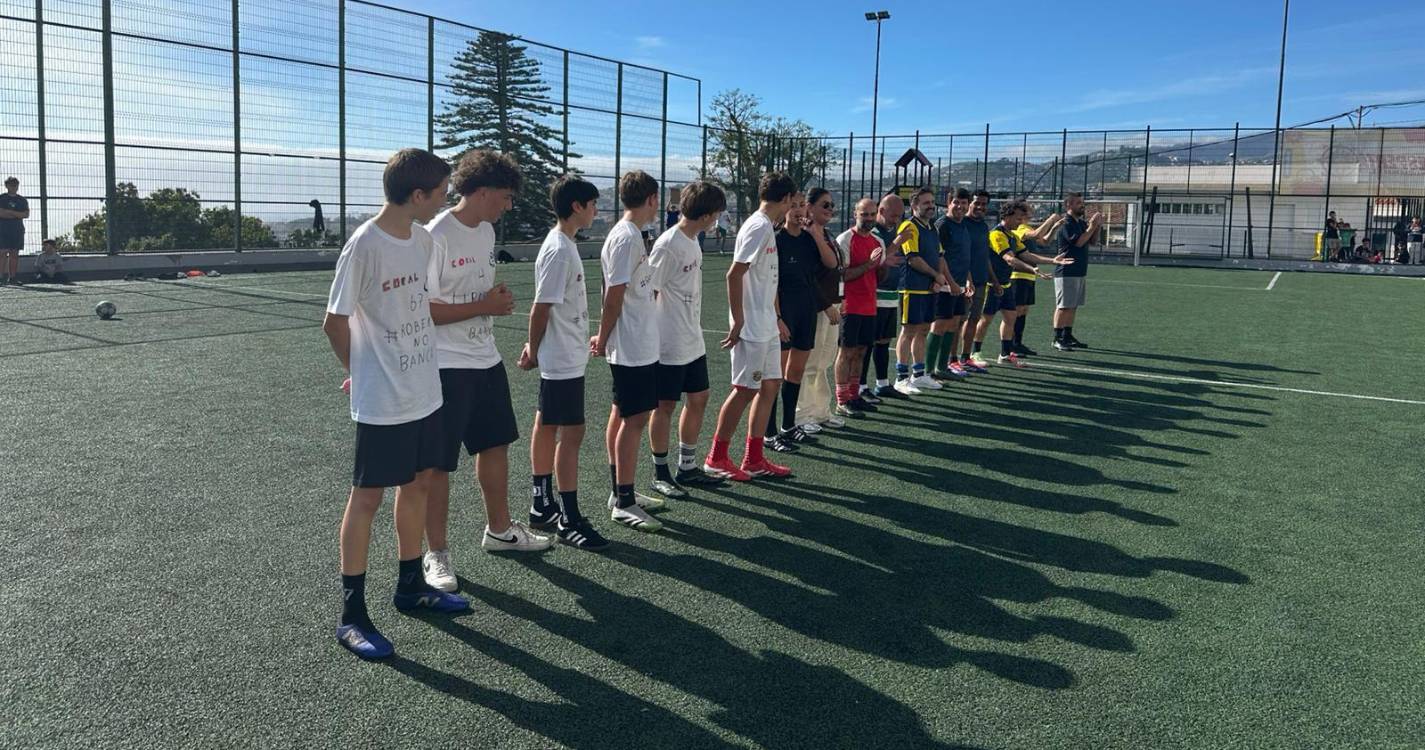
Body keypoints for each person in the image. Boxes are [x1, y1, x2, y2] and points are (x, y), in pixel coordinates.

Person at [322, 148, 469, 660]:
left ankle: (411, 587)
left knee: (421, 482)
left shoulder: (423, 240)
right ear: (417, 195)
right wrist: (357, 372)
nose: (446, 199)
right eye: (442, 191)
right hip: (383, 399)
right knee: (368, 497)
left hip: (425, 390)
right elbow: (334, 320)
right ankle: (352, 615)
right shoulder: (364, 245)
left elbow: (415, 307)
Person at [420, 150, 551, 594]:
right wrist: (484, 305)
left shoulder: (487, 231)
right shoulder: (436, 235)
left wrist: (491, 298)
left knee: (495, 446)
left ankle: (499, 530)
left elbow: (469, 292)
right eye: (505, 197)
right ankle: (435, 554)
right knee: (438, 465)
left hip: (485, 357)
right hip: (445, 365)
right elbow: (424, 310)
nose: (508, 206)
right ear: (479, 192)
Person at [521, 175, 609, 551]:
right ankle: (568, 519)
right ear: (577, 206)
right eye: (592, 205)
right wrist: (534, 347)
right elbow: (541, 306)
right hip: (560, 360)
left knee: (549, 424)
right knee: (571, 434)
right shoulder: (559, 248)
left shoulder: (564, 245)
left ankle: (542, 503)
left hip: (566, 356)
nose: (595, 211)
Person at [703, 172, 796, 481]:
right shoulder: (757, 227)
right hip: (752, 327)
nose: (792, 208)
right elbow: (734, 274)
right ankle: (716, 457)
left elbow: (765, 280)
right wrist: (739, 319)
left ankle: (753, 458)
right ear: (785, 199)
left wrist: (776, 318)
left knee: (770, 385)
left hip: (767, 324)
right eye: (791, 202)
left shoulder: (768, 227)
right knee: (744, 390)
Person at [593, 170, 667, 533]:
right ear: (651, 199)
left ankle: (620, 491)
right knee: (634, 420)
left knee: (622, 414)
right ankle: (623, 501)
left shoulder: (633, 235)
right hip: (631, 344)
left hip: (637, 340)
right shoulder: (626, 237)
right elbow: (614, 294)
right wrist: (604, 335)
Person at [647, 180, 727, 499]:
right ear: (706, 214)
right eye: (717, 213)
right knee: (665, 405)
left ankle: (687, 466)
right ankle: (660, 472)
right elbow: (648, 291)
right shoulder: (669, 244)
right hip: (668, 341)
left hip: (692, 337)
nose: (718, 219)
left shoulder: (693, 241)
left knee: (699, 396)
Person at [764, 189, 838, 450]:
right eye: (792, 205)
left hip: (806, 312)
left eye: (800, 206)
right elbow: (771, 284)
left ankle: (788, 426)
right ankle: (769, 432)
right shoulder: (776, 240)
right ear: (784, 209)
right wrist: (778, 317)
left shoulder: (809, 239)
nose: (797, 211)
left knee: (795, 372)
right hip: (785, 313)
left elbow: (830, 263)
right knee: (775, 375)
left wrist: (816, 235)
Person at [987, 200, 1073, 368]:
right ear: (1009, 216)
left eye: (1022, 217)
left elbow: (1027, 253)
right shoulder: (1003, 233)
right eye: (1020, 216)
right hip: (997, 281)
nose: (1022, 219)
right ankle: (972, 354)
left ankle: (1007, 351)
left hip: (1008, 281)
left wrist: (1052, 260)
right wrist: (1051, 220)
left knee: (1013, 315)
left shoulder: (1011, 234)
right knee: (984, 320)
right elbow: (1011, 258)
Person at [795, 187, 853, 429]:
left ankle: (820, 411)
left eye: (832, 205)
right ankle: (802, 416)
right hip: (817, 307)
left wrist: (841, 298)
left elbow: (837, 270)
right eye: (825, 205)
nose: (831, 209)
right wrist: (826, 304)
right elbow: (809, 276)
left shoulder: (827, 234)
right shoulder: (805, 237)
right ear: (809, 207)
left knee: (824, 361)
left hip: (833, 304)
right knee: (810, 363)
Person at [894, 188, 954, 396]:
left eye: (932, 202)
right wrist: (935, 276)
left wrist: (939, 278)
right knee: (909, 330)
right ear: (914, 206)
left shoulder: (931, 228)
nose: (930, 205)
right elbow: (913, 258)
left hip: (929, 288)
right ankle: (901, 377)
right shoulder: (909, 225)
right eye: (925, 202)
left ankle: (919, 374)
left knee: (923, 330)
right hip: (912, 287)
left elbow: (939, 256)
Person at [835, 198, 885, 417]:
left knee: (862, 351)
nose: (869, 219)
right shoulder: (845, 239)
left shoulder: (878, 241)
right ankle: (842, 399)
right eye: (864, 214)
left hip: (869, 305)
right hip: (850, 305)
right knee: (846, 352)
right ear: (855, 213)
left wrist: (884, 265)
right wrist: (869, 265)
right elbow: (842, 275)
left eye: (872, 214)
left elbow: (879, 276)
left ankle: (855, 395)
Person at [861, 194, 910, 400]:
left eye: (899, 216)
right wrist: (898, 242)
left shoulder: (892, 231)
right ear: (881, 211)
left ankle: (882, 383)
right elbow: (876, 260)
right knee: (867, 342)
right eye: (893, 215)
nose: (896, 220)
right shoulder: (872, 233)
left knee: (883, 340)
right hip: (874, 295)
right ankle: (861, 387)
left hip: (890, 293)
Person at [930, 188, 975, 380]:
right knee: (939, 325)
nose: (960, 206)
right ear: (949, 202)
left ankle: (943, 366)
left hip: (959, 285)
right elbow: (940, 258)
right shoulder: (942, 225)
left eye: (964, 203)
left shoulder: (963, 225)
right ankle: (928, 370)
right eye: (956, 202)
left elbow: (963, 257)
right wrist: (951, 282)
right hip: (945, 286)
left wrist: (968, 281)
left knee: (954, 324)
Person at [1009, 209, 1066, 357]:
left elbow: (1044, 241)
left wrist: (1054, 227)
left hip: (1029, 275)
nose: (1031, 212)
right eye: (1028, 210)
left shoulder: (1027, 228)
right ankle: (1011, 345)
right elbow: (1036, 235)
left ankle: (1017, 343)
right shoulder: (1020, 228)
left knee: (1023, 310)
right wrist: (1051, 219)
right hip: (1018, 274)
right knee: (1016, 311)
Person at [1052, 193, 1102, 351]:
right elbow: (1079, 242)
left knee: (1073, 305)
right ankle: (1057, 338)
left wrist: (1097, 226)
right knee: (1063, 306)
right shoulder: (1066, 223)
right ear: (1069, 205)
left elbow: (1092, 241)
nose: (1082, 205)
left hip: (1078, 270)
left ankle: (1067, 335)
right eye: (1078, 203)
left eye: (1082, 202)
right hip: (1066, 270)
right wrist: (1092, 226)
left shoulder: (1080, 222)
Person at [958, 190, 994, 372]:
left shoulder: (983, 226)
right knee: (958, 321)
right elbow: (958, 256)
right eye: (976, 203)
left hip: (981, 282)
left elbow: (985, 255)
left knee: (974, 319)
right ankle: (951, 360)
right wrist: (966, 279)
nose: (980, 207)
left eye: (984, 204)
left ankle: (966, 357)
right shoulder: (961, 223)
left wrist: (993, 280)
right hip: (964, 282)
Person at [0, 177, 29, 285]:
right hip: (3, 229)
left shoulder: (22, 200)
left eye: (15, 185)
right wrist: (16, 214)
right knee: (2, 253)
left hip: (17, 230)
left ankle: (12, 278)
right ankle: (1, 277)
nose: (14, 187)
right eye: (11, 185)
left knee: (14, 254)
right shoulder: (1, 198)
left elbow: (26, 214)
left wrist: (8, 212)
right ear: (6, 186)